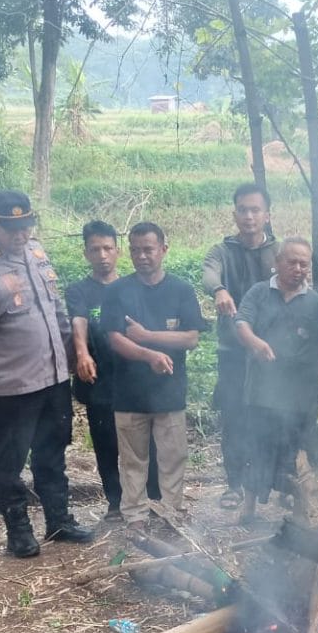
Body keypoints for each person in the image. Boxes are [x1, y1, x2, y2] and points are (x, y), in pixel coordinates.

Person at [0, 190, 94, 558]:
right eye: (12, 227)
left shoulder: (37, 253)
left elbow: (56, 307)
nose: (21, 234)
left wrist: (72, 354)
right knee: (8, 461)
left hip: (52, 378)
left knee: (52, 453)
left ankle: (59, 520)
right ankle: (18, 531)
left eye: (26, 225)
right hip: (13, 386)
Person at [104, 222, 209, 535]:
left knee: (173, 456)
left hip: (169, 391)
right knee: (133, 459)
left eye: (148, 249)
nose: (141, 256)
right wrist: (149, 355)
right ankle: (135, 514)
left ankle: (171, 509)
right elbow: (115, 339)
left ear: (164, 249)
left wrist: (148, 335)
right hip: (128, 391)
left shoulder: (181, 290)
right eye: (135, 250)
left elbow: (191, 338)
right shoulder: (117, 291)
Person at [231, 237, 318, 524]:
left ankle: (299, 515)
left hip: (300, 399)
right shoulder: (260, 293)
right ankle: (248, 510)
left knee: (296, 455)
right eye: (292, 262)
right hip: (261, 393)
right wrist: (256, 344)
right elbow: (241, 323)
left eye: (304, 264)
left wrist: (306, 365)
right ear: (277, 263)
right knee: (257, 449)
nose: (298, 268)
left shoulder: (316, 303)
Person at [65, 220, 159, 521]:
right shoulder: (79, 291)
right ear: (86, 253)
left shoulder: (136, 287)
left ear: (118, 251)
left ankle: (153, 498)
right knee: (106, 444)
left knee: (147, 443)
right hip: (99, 381)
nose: (102, 255)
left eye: (108, 248)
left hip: (135, 381)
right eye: (95, 249)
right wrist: (81, 353)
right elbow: (78, 321)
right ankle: (116, 502)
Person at [203, 183, 277, 510]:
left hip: (270, 352)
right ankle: (233, 484)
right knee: (233, 415)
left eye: (255, 210)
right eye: (243, 210)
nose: (249, 216)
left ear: (267, 215)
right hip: (233, 351)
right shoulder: (222, 251)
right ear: (235, 214)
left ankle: (264, 485)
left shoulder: (280, 251)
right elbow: (208, 274)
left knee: (268, 416)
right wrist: (219, 290)